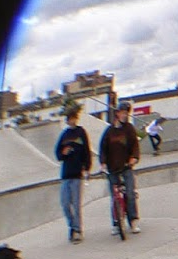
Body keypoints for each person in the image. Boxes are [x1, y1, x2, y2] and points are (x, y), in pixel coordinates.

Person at [99, 100, 142, 235]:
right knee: (115, 196)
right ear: (117, 113)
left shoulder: (129, 129)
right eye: (123, 113)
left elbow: (135, 145)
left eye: (126, 113)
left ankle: (133, 221)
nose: (125, 116)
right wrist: (103, 163)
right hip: (113, 168)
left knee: (129, 194)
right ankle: (116, 224)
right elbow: (103, 149)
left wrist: (134, 158)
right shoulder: (109, 131)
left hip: (126, 166)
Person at [54, 104, 92, 242]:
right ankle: (72, 226)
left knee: (76, 204)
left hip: (77, 174)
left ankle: (77, 230)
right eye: (70, 119)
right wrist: (63, 153)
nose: (73, 121)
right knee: (65, 203)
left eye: (74, 118)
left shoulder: (81, 133)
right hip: (66, 174)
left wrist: (87, 168)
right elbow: (57, 153)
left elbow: (87, 151)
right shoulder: (64, 135)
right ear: (67, 120)